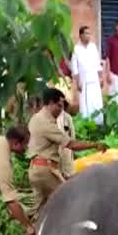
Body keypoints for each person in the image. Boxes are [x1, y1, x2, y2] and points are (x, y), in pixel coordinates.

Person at [27, 88, 107, 217]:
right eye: (59, 105)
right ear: (51, 103)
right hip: (45, 170)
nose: (61, 110)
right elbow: (71, 144)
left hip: (36, 170)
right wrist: (94, 145)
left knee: (40, 212)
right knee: (70, 200)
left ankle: (34, 232)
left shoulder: (36, 119)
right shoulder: (45, 122)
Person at [71, 26, 104, 123]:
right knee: (85, 105)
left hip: (95, 80)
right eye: (86, 33)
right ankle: (86, 125)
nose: (88, 36)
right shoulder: (76, 49)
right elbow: (75, 67)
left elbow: (98, 63)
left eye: (89, 33)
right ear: (80, 35)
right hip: (84, 81)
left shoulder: (93, 47)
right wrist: (78, 82)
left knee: (96, 103)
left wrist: (101, 78)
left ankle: (98, 124)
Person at [56, 96, 78, 179]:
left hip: (66, 150)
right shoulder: (50, 117)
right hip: (55, 150)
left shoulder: (67, 117)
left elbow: (72, 135)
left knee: (69, 174)